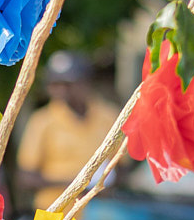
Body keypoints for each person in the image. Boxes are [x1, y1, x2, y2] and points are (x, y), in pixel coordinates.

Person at [13, 51, 119, 211]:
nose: (60, 91)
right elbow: (26, 177)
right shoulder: (42, 121)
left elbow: (123, 163)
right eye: (55, 85)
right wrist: (79, 184)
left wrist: (107, 183)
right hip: (55, 212)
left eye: (67, 84)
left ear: (85, 83)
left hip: (103, 214)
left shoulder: (109, 117)